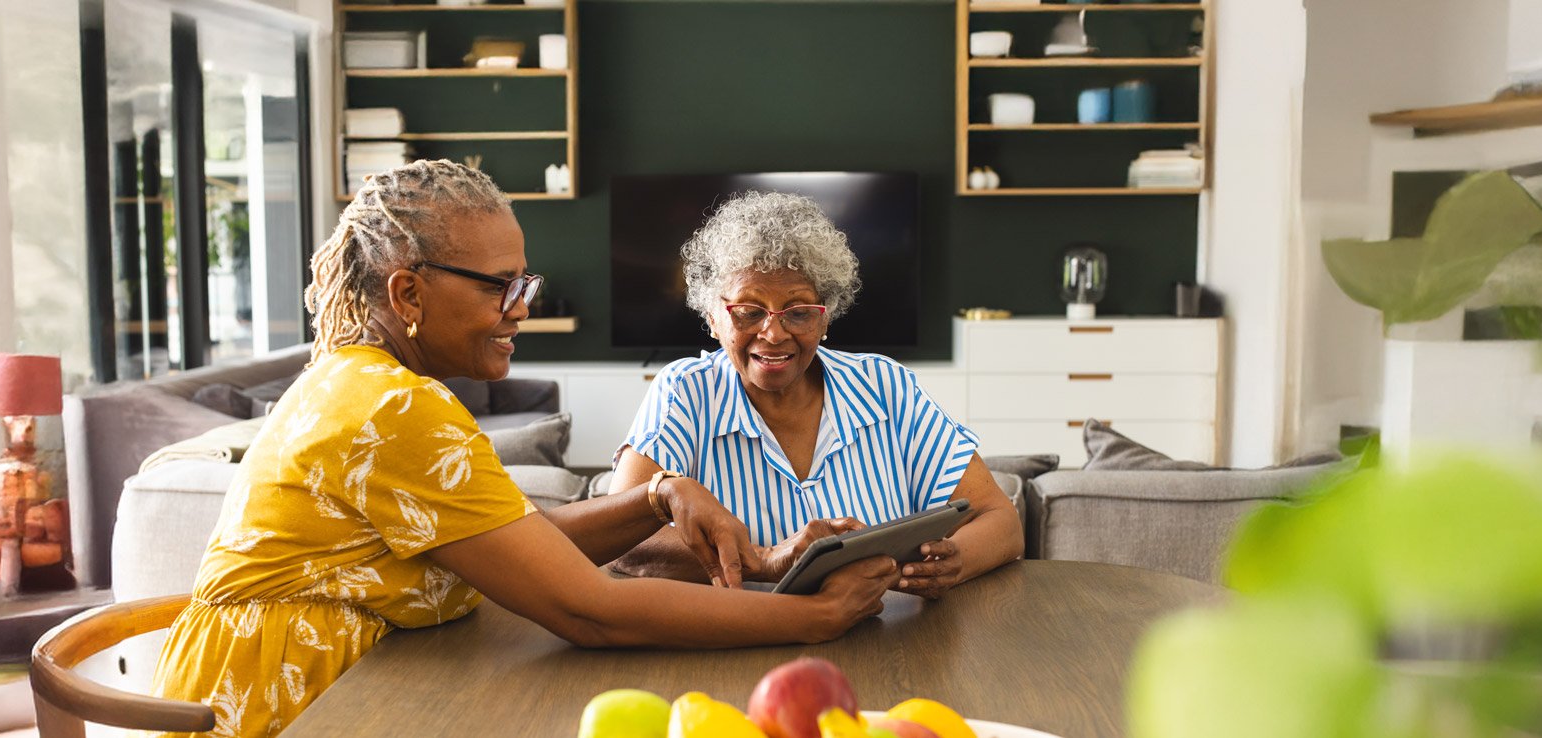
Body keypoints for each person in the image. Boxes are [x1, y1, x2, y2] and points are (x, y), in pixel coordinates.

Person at [150, 161, 898, 737]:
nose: (522, 311)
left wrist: (657, 495)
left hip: (340, 690)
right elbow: (592, 612)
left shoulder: (364, 381)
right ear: (408, 295)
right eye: (500, 288)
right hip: (283, 709)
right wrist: (815, 620)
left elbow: (522, 541)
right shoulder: (392, 405)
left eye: (525, 285)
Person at [611, 191, 1023, 599]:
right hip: (741, 651)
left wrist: (954, 561)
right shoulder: (685, 392)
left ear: (826, 317)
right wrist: (764, 558)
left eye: (798, 312)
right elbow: (619, 546)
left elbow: (1000, 520)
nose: (773, 334)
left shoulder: (884, 386)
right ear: (713, 318)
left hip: (887, 643)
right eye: (749, 311)